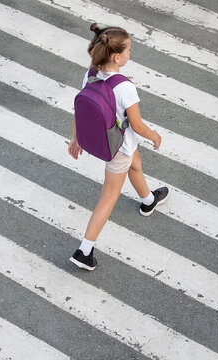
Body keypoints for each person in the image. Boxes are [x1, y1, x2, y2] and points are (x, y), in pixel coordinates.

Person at [68, 23, 169, 271]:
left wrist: (76, 138)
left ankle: (148, 201)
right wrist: (155, 136)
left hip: (106, 141)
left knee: (135, 163)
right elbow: (136, 125)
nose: (129, 55)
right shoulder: (125, 87)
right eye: (128, 51)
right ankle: (84, 250)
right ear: (117, 56)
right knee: (109, 197)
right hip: (117, 147)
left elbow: (78, 109)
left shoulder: (91, 73)